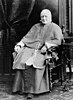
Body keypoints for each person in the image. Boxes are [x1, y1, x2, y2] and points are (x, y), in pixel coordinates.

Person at [12, 9, 63, 99]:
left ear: (50, 17)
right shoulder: (36, 26)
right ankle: (21, 88)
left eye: (45, 16)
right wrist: (20, 45)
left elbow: (58, 41)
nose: (43, 18)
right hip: (31, 49)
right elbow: (27, 38)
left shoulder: (55, 27)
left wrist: (47, 45)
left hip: (44, 51)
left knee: (35, 64)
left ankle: (32, 91)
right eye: (42, 17)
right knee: (22, 60)